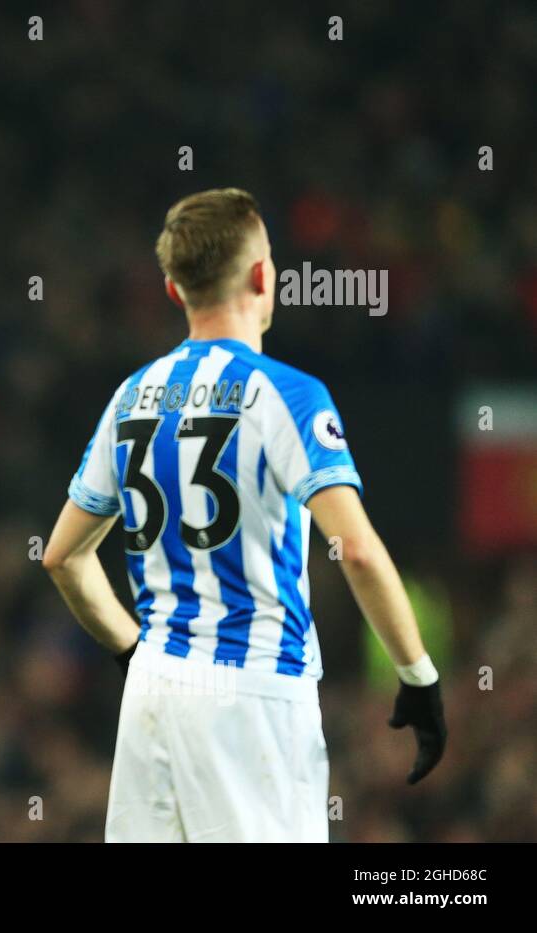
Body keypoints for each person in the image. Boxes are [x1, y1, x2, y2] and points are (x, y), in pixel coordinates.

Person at [42, 188, 446, 842]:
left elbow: (63, 556)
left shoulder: (131, 396)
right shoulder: (285, 393)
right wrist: (417, 676)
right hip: (252, 691)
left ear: (174, 291)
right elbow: (360, 550)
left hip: (152, 692)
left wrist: (133, 650)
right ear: (264, 276)